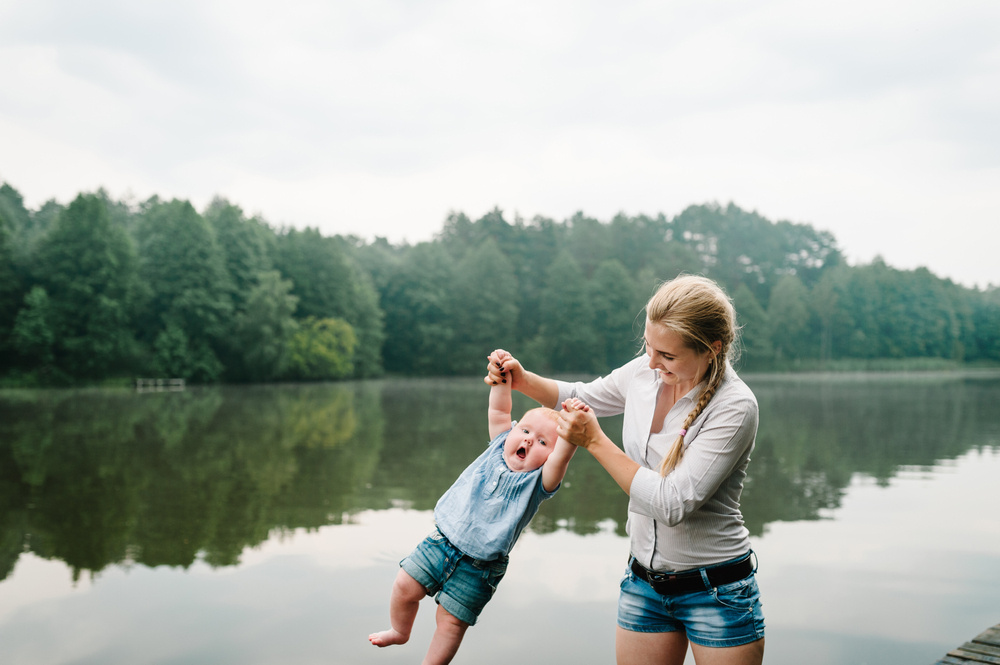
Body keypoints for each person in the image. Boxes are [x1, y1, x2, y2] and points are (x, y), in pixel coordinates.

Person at [486, 274, 765, 665]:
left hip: (717, 591)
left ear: (711, 349)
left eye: (667, 355)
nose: (651, 362)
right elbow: (580, 397)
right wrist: (522, 379)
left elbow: (671, 503)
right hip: (643, 584)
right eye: (649, 347)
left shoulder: (736, 407)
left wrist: (596, 441)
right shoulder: (645, 372)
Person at [369, 350, 581, 665]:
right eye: (524, 431)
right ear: (512, 430)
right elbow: (499, 408)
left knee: (451, 622)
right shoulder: (498, 444)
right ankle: (400, 631)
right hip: (441, 541)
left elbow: (562, 455)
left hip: (480, 568)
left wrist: (571, 432)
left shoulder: (539, 482)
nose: (528, 441)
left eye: (542, 442)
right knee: (404, 584)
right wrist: (502, 378)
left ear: (551, 456)